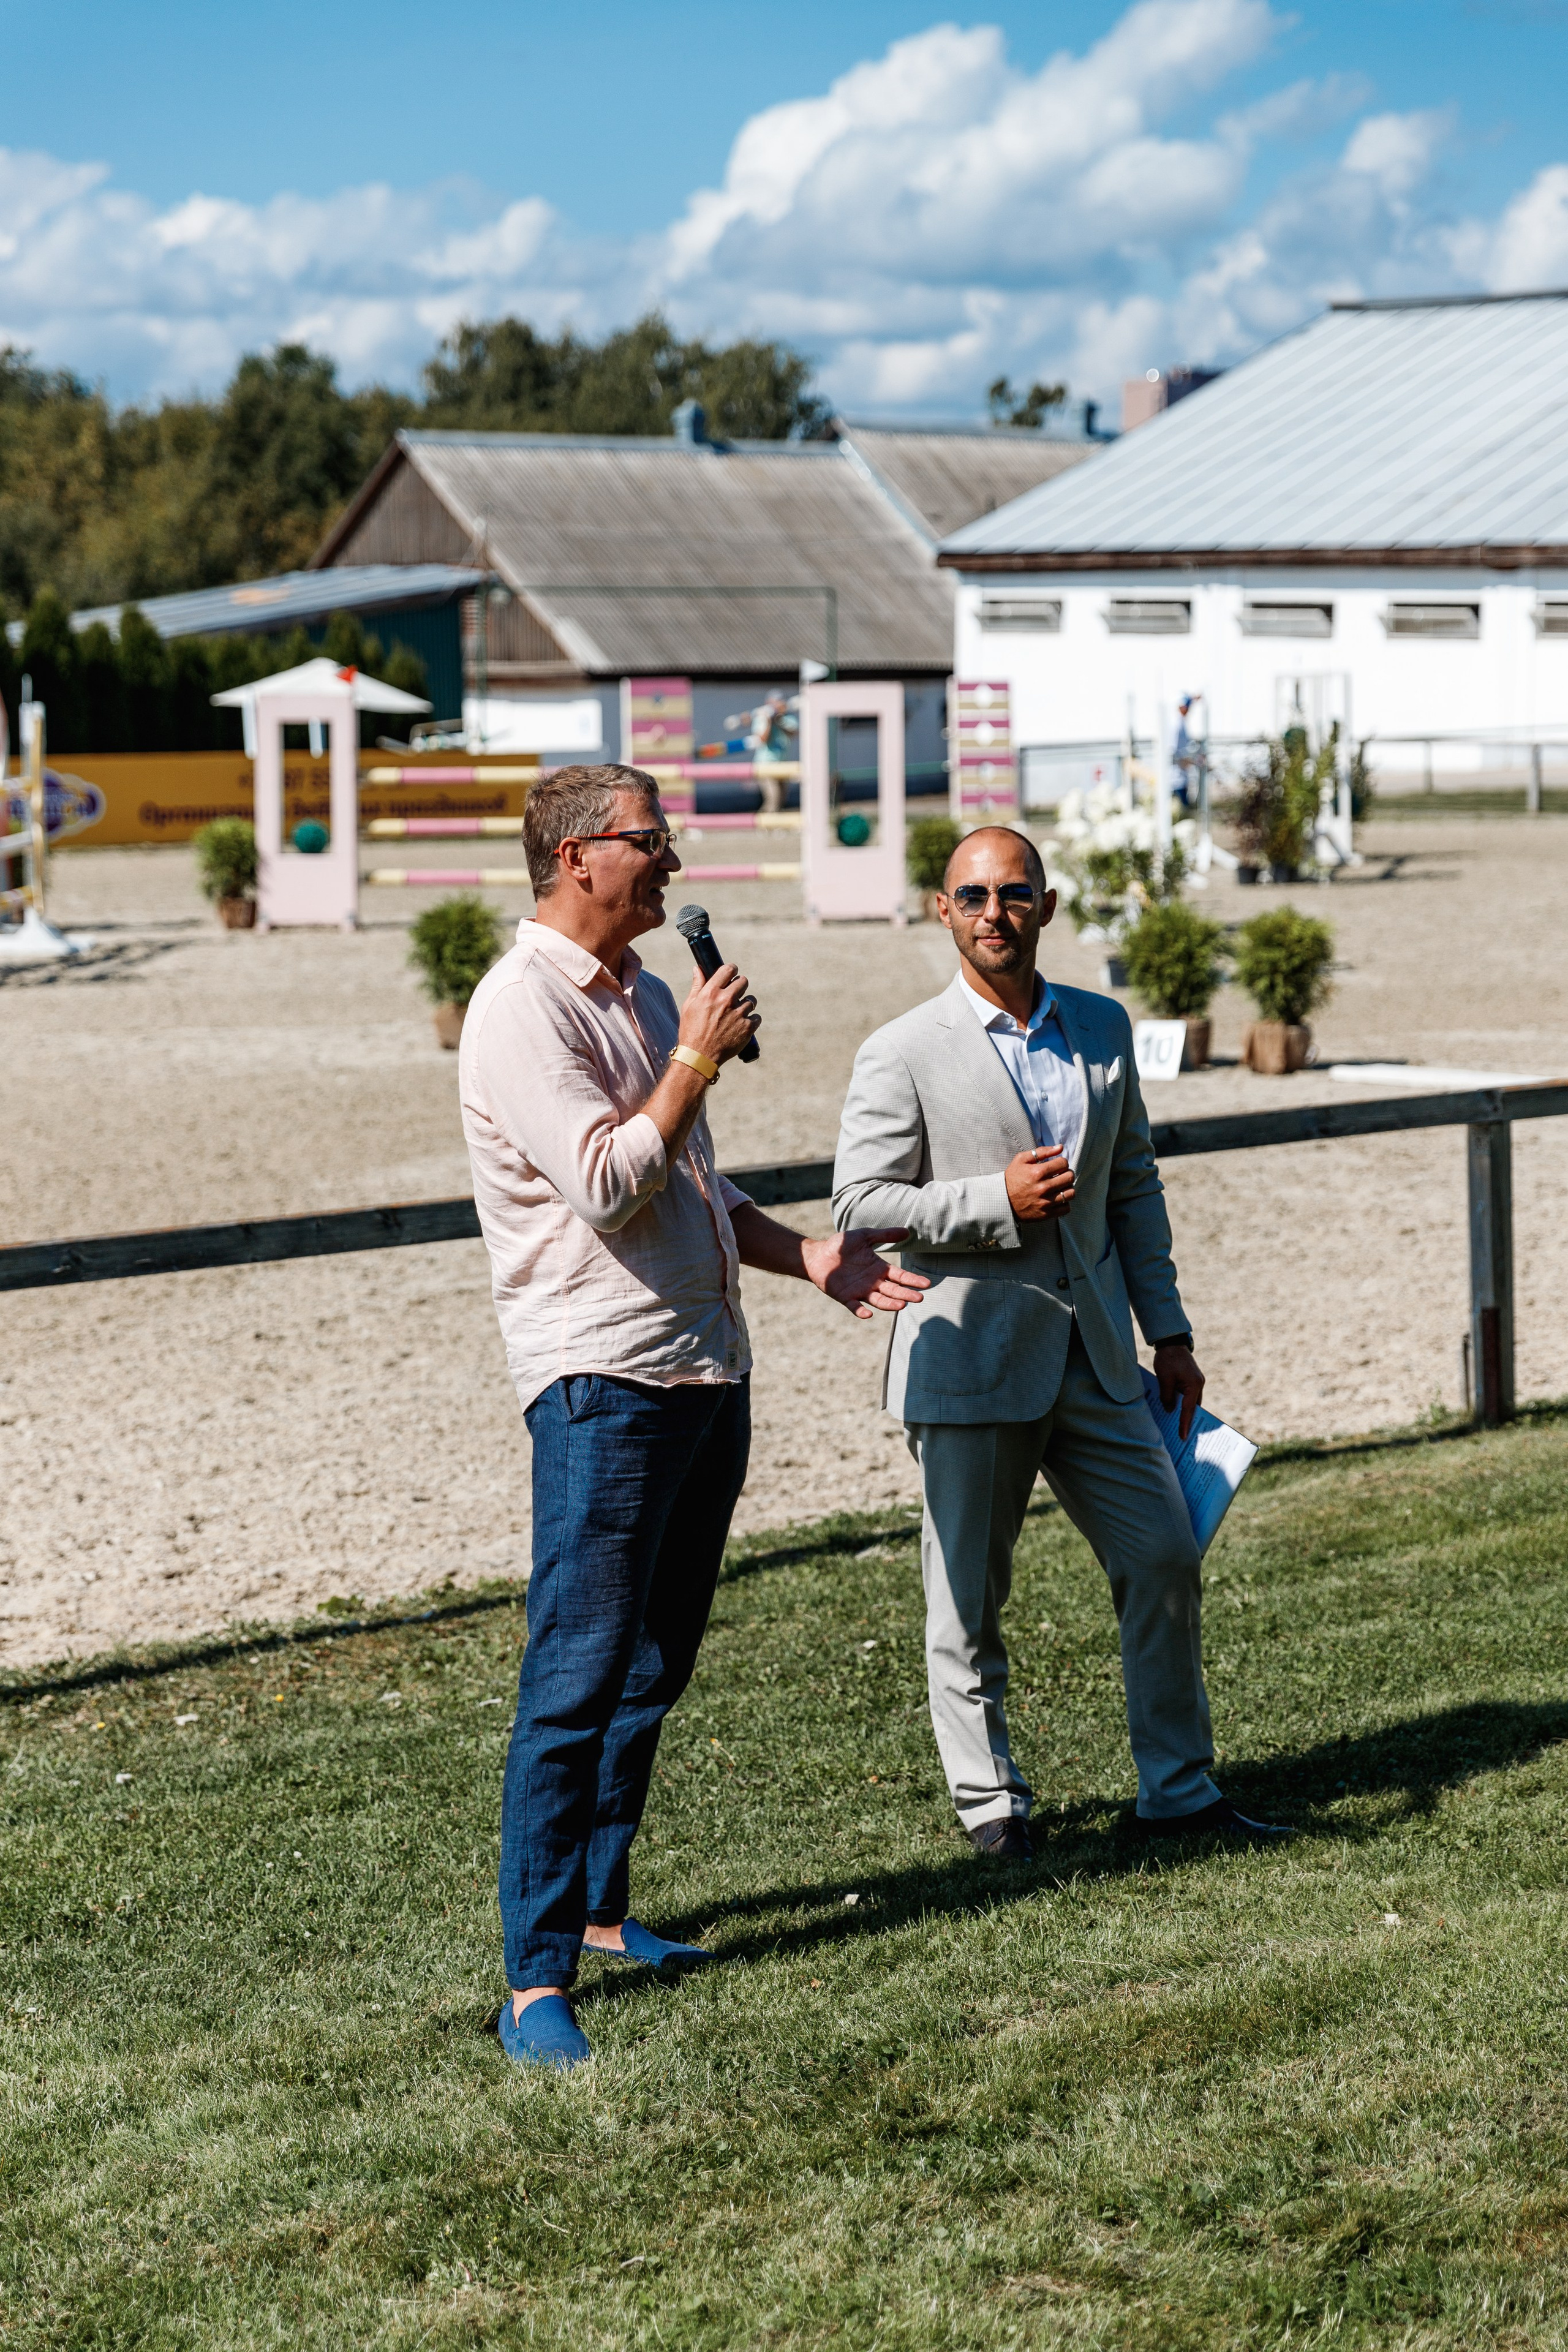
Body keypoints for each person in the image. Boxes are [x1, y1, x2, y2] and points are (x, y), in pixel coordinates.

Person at [459, 762, 927, 2069]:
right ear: (575, 859)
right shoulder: (517, 1010)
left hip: (701, 1370)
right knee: (573, 1680)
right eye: (650, 842)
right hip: (599, 1382)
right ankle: (534, 1981)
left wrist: (808, 1258)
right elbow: (611, 1183)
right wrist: (690, 1058)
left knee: (652, 1670)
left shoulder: (649, 991)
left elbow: (691, 1192)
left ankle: (604, 1914)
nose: (670, 864)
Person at [832, 826, 1290, 1860]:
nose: (995, 912)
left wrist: (1167, 1333)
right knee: (967, 1599)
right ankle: (991, 1803)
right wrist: (992, 1201)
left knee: (1166, 1553)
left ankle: (1178, 1791)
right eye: (973, 896)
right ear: (943, 912)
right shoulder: (900, 1049)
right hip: (966, 1354)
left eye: (1015, 893)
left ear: (1046, 904)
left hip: (1100, 1355)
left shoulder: (1101, 1026)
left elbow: (1133, 1184)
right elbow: (860, 1204)